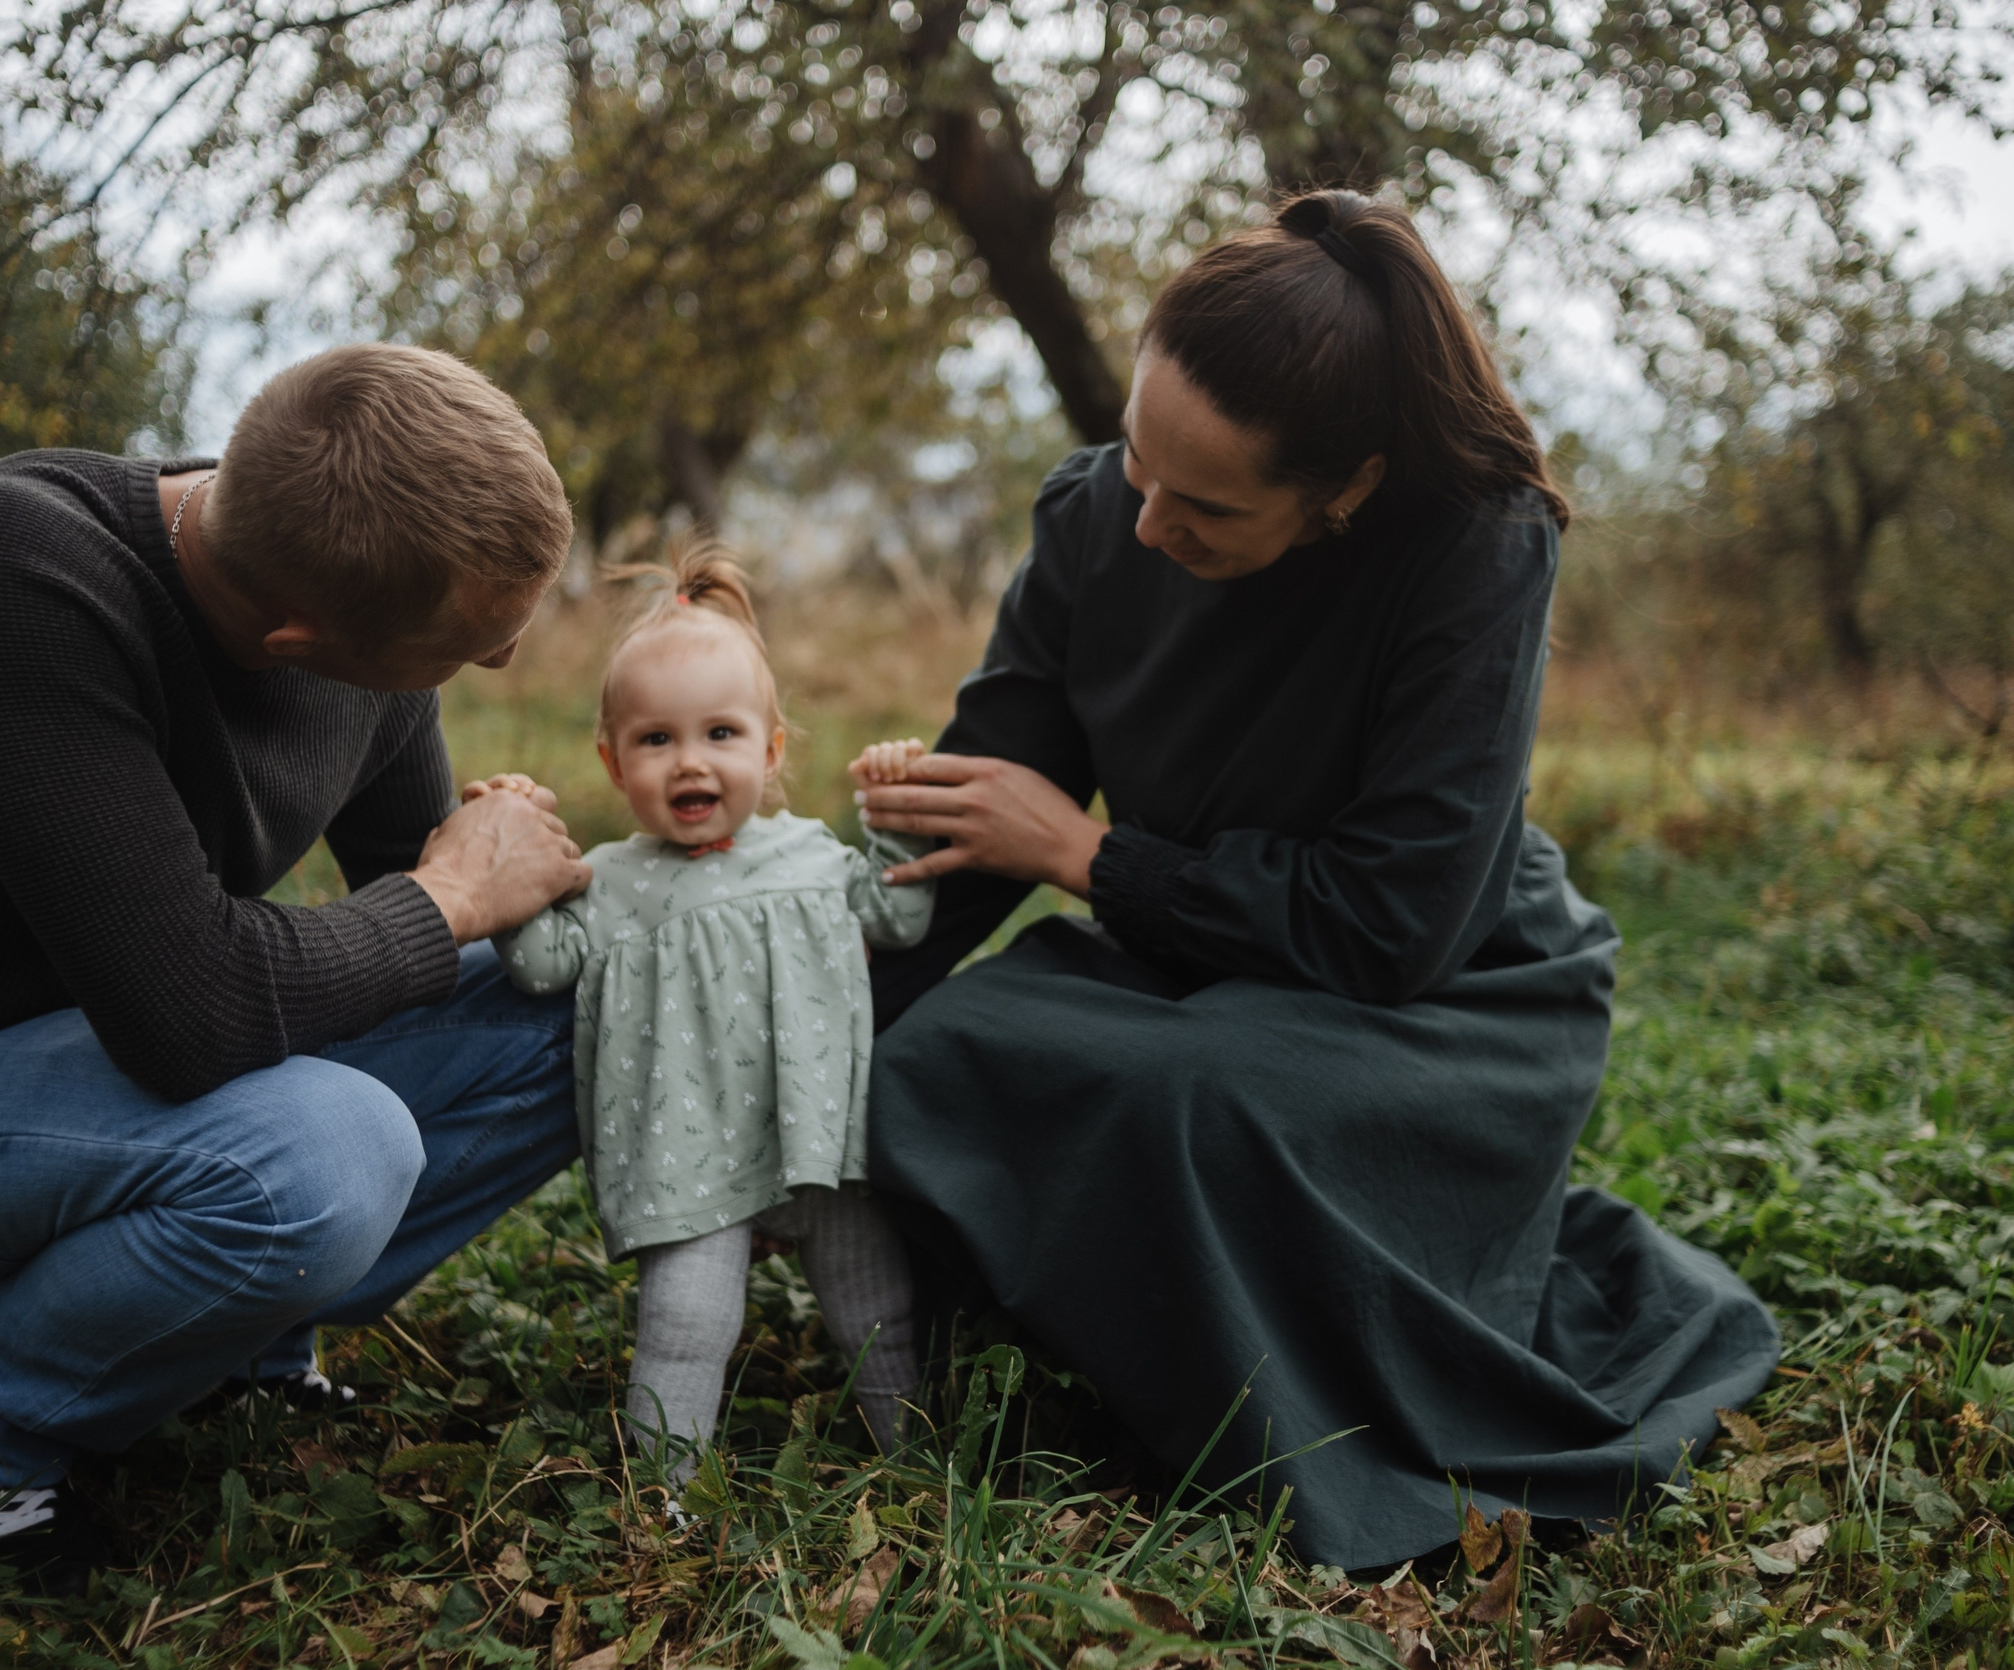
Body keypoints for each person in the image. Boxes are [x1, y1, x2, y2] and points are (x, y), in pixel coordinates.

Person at [856, 190, 1781, 1569]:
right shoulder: (1095, 517)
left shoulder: (1477, 545)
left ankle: (1286, 1367)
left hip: (1447, 994)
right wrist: (823, 1000)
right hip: (1196, 960)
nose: (1149, 518)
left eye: (1208, 504)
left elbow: (1395, 920)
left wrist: (1093, 856)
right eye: (1136, 458)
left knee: (1191, 1098)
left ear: (1346, 486)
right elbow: (981, 809)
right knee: (932, 1051)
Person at [0, 344, 592, 1578]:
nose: (502, 665)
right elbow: (192, 1009)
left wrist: (527, 882)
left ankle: (237, 1341)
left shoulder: (353, 579)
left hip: (144, 1087)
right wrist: (452, 890)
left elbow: (401, 900)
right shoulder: (12, 571)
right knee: (335, 1146)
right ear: (292, 638)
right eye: (472, 648)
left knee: (603, 969)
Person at [493, 543, 933, 1469]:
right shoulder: (607, 882)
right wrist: (512, 857)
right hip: (687, 1156)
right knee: (687, 1326)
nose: (690, 761)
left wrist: (893, 816)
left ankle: (917, 1462)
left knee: (876, 1305)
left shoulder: (812, 853)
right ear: (614, 763)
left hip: (819, 1138)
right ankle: (666, 1496)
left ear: (771, 749)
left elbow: (897, 916)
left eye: (720, 734)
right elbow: (540, 965)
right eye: (657, 740)